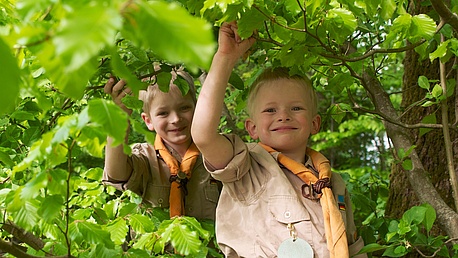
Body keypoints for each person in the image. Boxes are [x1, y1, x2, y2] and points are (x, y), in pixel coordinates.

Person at [191, 22, 367, 257]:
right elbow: (203, 136)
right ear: (252, 128)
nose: (283, 116)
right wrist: (225, 57)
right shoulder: (246, 169)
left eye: (296, 108)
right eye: (270, 111)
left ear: (315, 123)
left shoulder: (331, 182)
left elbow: (353, 246)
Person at [103, 67, 221, 221]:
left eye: (184, 108)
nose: (176, 119)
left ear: (196, 108)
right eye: (163, 113)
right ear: (148, 121)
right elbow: (116, 174)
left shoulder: (218, 152)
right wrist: (119, 117)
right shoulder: (146, 157)